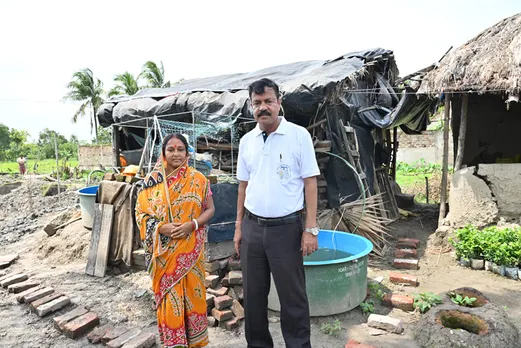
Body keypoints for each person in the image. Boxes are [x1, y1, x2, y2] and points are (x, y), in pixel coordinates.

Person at [234, 78, 320, 348]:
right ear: (251, 106)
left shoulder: (298, 135)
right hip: (252, 228)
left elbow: (310, 183)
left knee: (292, 298)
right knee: (254, 297)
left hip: (287, 230)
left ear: (279, 102)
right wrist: (238, 227)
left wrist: (310, 229)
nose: (263, 107)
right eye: (257, 103)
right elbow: (242, 187)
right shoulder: (247, 141)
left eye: (268, 101)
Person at [135, 133, 215, 348]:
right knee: (170, 305)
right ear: (163, 153)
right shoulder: (150, 183)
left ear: (187, 152)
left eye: (181, 149)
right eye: (171, 149)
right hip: (165, 259)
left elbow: (210, 209)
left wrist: (193, 225)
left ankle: (196, 343)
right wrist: (161, 228)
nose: (176, 154)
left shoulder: (199, 179)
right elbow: (140, 214)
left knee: (194, 299)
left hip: (191, 256)